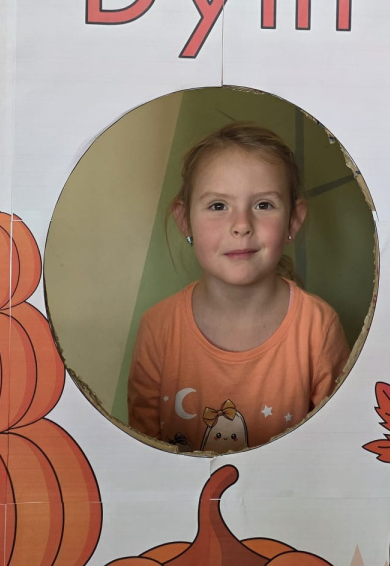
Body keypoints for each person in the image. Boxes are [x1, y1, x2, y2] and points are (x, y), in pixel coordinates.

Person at [128, 122, 350, 452]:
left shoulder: (319, 329)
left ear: (293, 219)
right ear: (185, 221)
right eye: (218, 206)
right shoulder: (157, 329)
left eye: (263, 205)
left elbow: (336, 450)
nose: (242, 225)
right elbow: (142, 455)